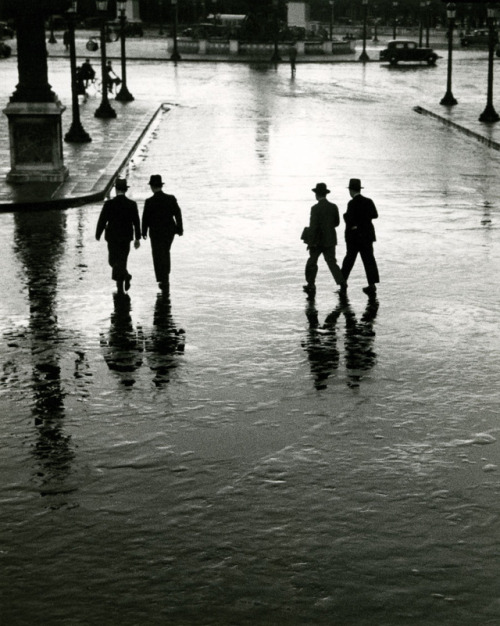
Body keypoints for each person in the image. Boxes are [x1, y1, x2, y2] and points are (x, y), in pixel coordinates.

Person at [95, 178, 141, 294]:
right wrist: (137, 238)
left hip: (112, 237)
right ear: (125, 190)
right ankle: (121, 285)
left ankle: (124, 280)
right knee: (122, 260)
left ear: (116, 190)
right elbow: (136, 222)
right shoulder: (132, 204)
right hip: (126, 238)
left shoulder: (109, 204)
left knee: (112, 261)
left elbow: (102, 220)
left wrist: (98, 233)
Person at [303, 182, 347, 299]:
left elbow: (313, 227)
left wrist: (310, 242)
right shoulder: (334, 207)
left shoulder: (315, 208)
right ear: (326, 194)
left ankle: (311, 284)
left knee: (312, 263)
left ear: (317, 195)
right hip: (330, 239)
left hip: (317, 241)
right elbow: (337, 223)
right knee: (332, 263)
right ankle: (342, 283)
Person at [142, 174, 184, 293]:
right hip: (169, 232)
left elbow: (145, 218)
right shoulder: (170, 198)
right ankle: (166, 277)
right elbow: (177, 213)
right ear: (160, 185)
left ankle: (161, 278)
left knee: (157, 254)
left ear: (152, 187)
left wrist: (143, 232)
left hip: (155, 233)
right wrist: (180, 228)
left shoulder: (149, 201)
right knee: (165, 252)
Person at [340, 178, 380, 296]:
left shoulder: (351, 203)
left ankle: (343, 283)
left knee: (349, 260)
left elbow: (349, 220)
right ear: (359, 189)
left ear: (351, 190)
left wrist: (352, 221)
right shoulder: (369, 201)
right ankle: (372, 285)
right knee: (369, 260)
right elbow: (375, 215)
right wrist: (364, 220)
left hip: (354, 238)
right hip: (367, 236)